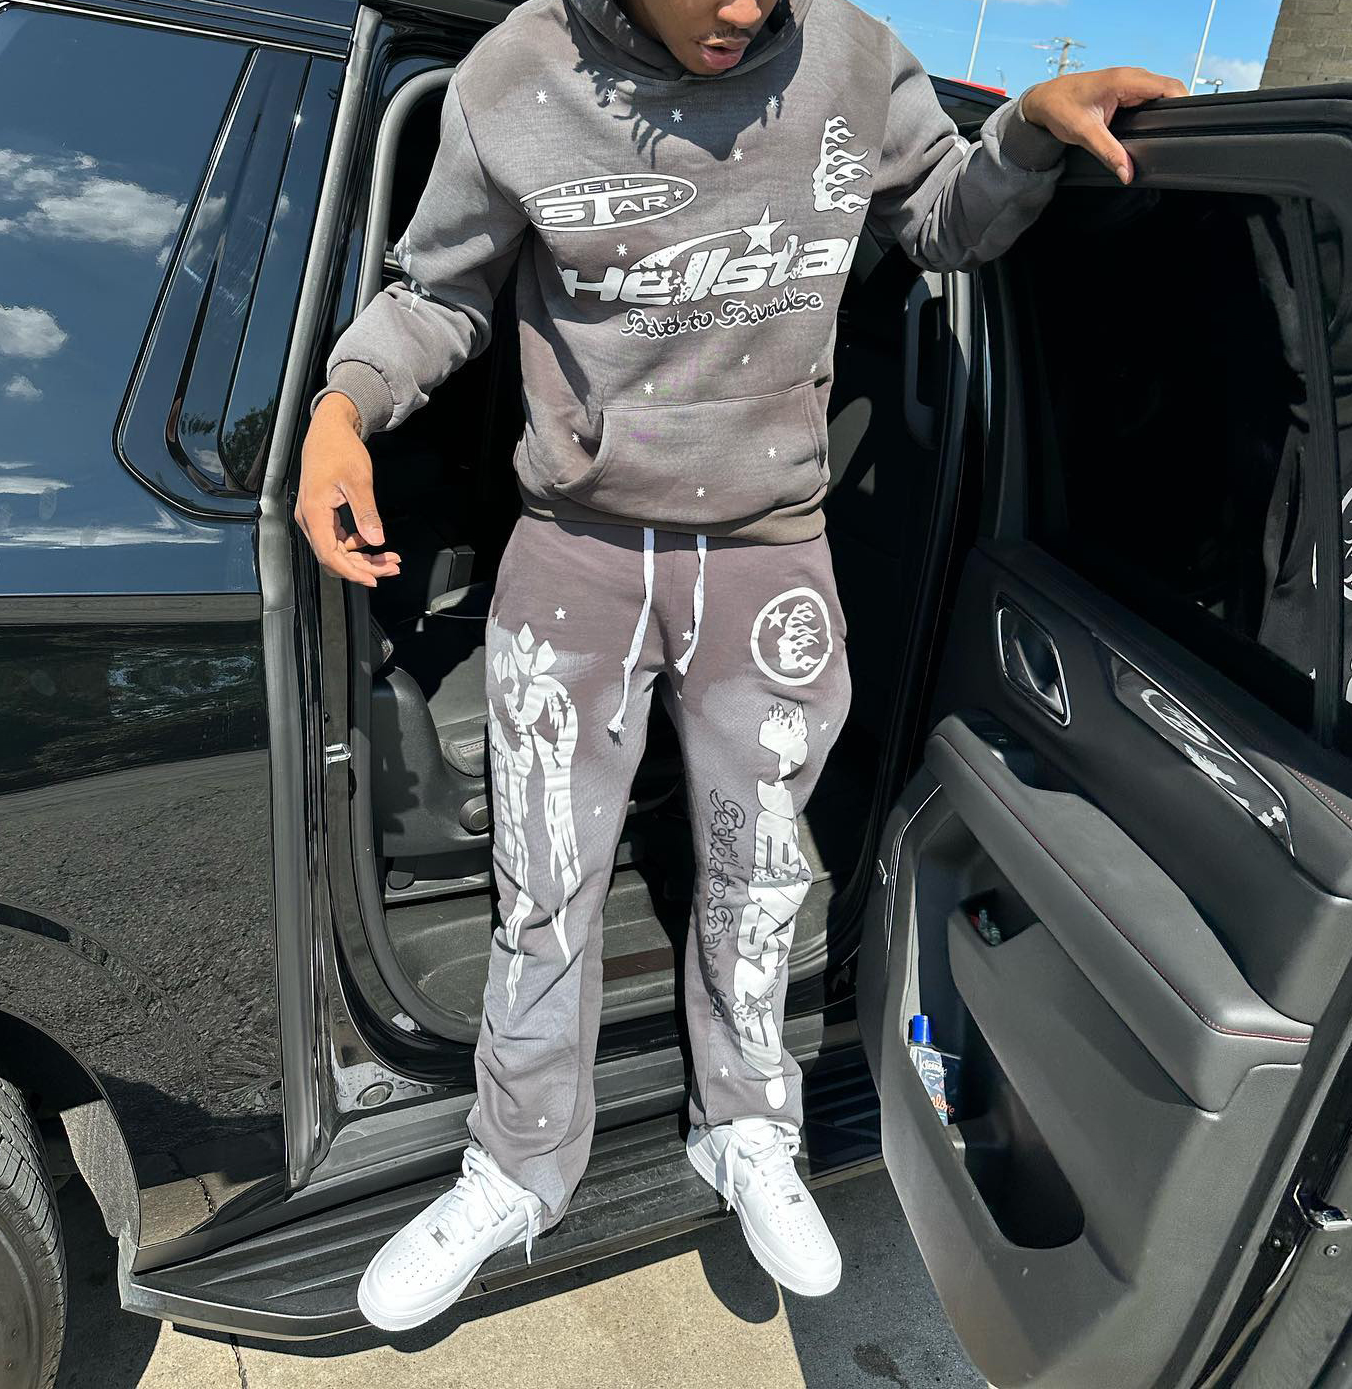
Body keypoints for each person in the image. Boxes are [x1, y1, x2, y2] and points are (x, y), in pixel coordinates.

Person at [298, 0, 1184, 1331]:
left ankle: (747, 1128)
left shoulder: (851, 59)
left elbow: (945, 222)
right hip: (575, 552)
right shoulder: (513, 78)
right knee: (544, 881)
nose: (740, 9)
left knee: (761, 873)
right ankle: (519, 1164)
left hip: (771, 556)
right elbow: (439, 294)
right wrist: (341, 407)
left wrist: (1022, 138)